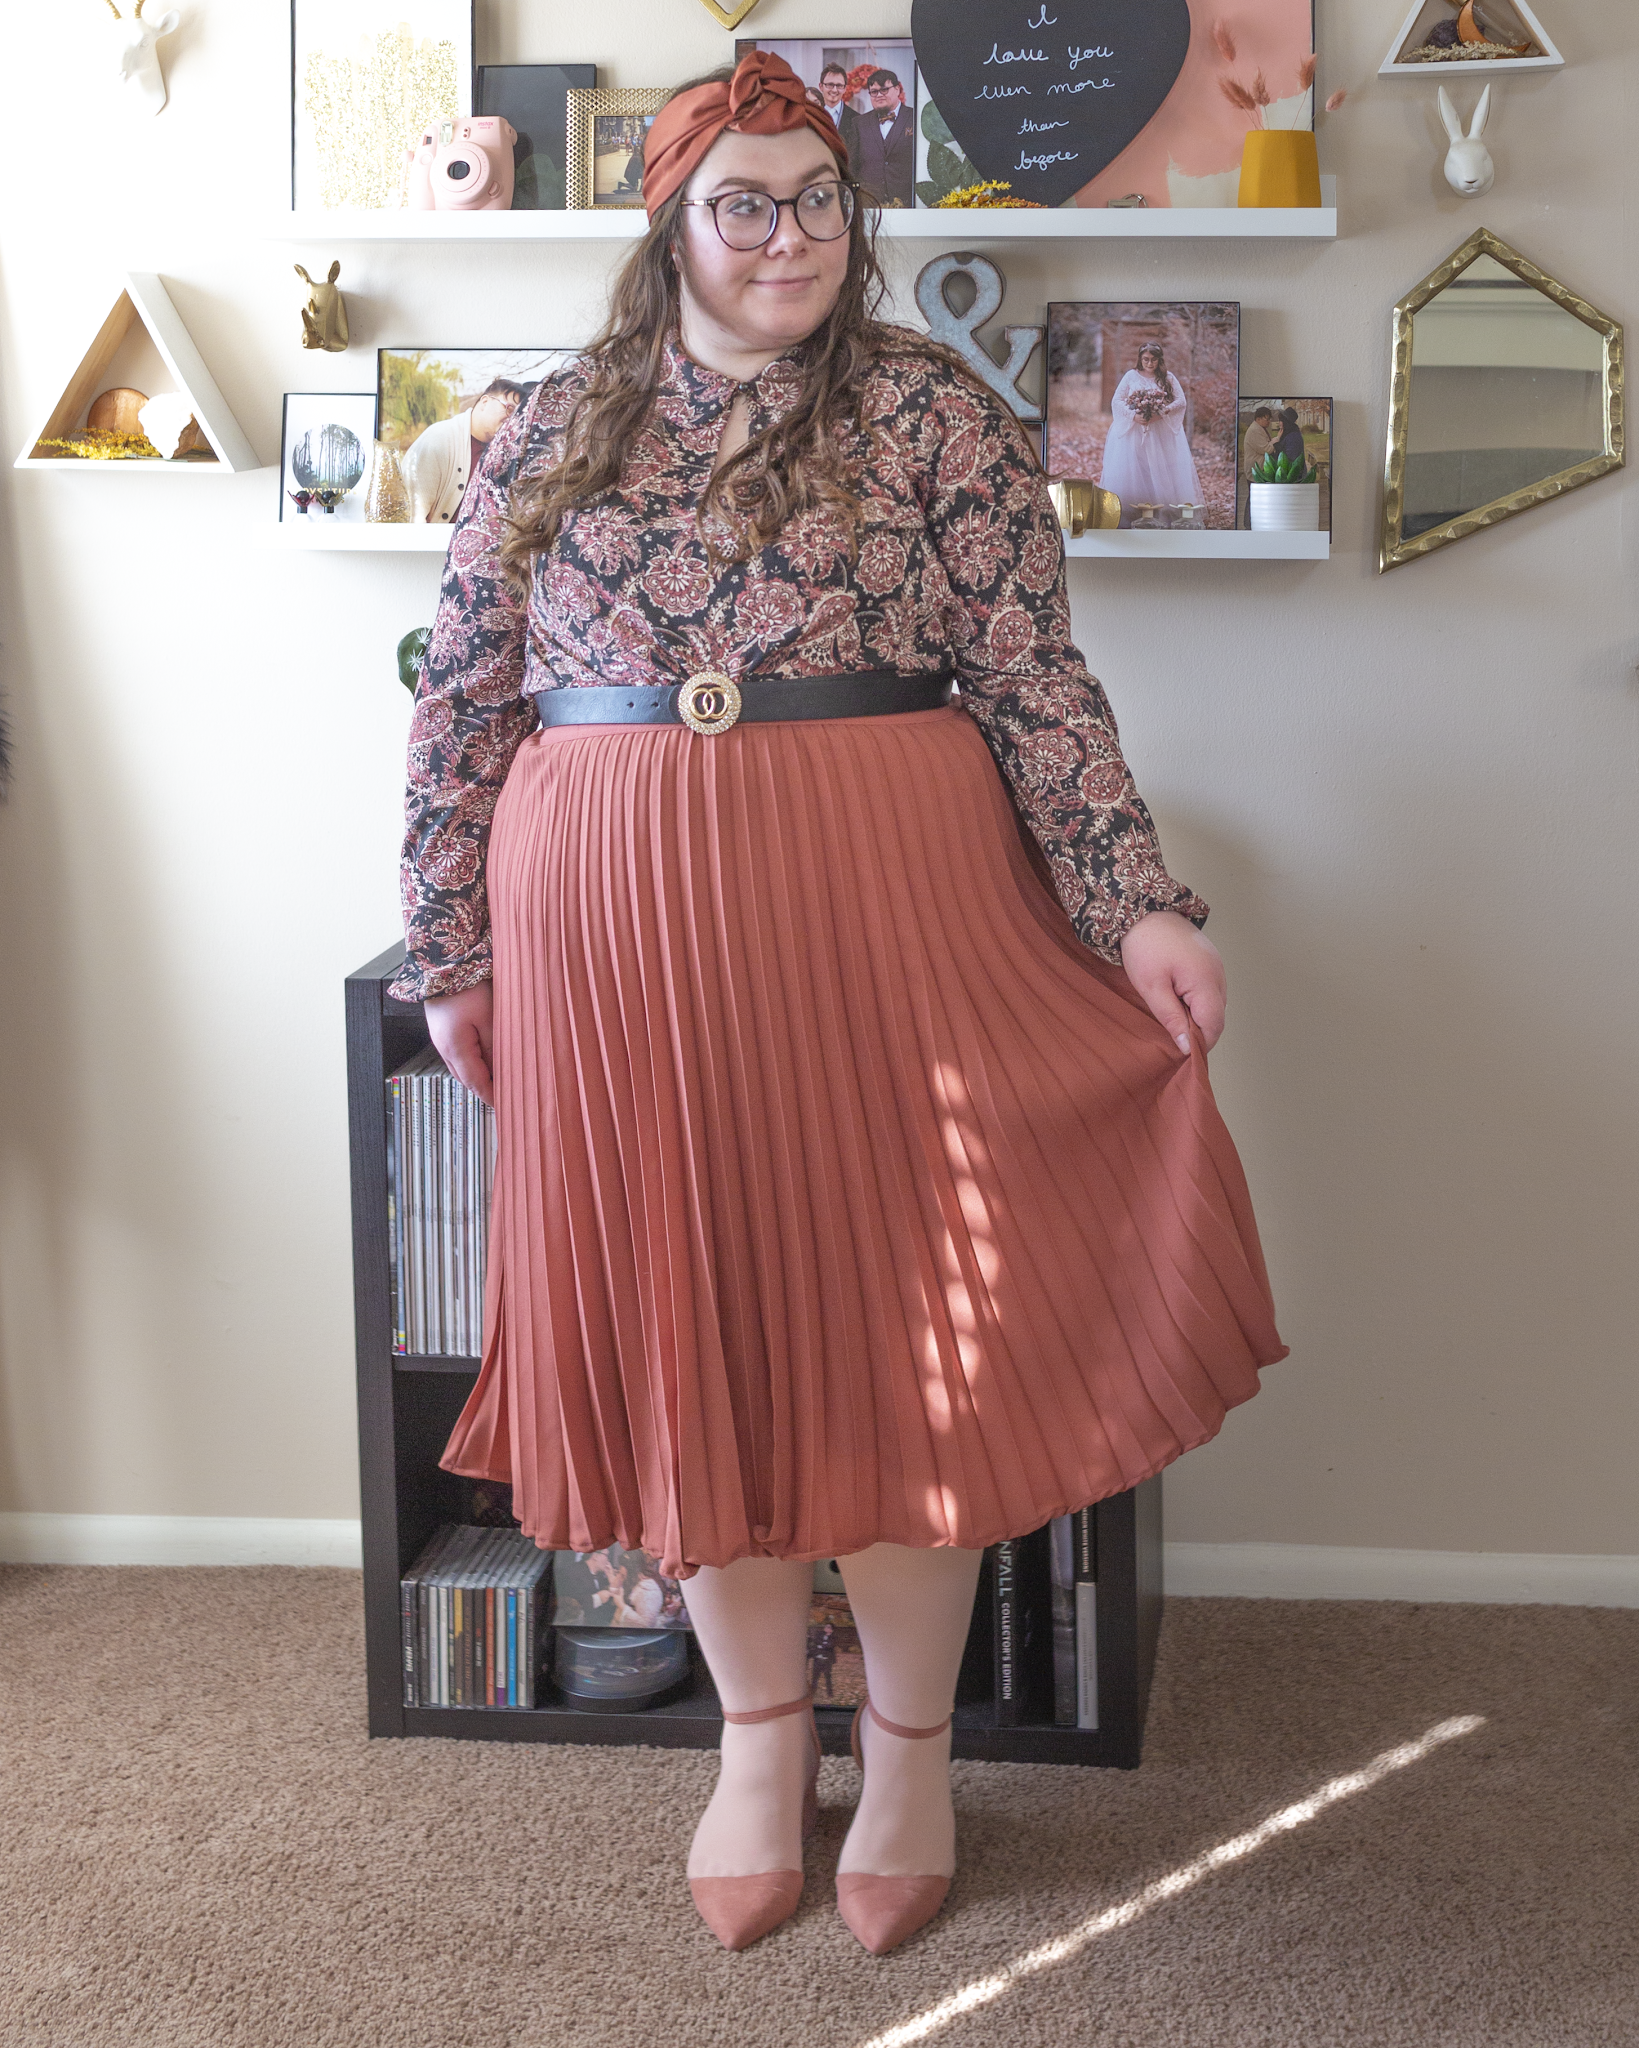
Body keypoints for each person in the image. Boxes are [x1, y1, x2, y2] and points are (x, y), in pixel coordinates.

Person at [396, 49, 1283, 1959]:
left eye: (817, 201)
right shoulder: (549, 425)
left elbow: (1035, 684)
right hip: (619, 944)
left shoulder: (933, 419)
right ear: (674, 223)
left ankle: (903, 1756)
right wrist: (450, 944)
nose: (787, 237)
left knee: (906, 1337)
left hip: (886, 909)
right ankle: (750, 1739)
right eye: (746, 203)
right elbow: (460, 699)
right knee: (687, 1319)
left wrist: (1131, 909)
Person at [1100, 341, 1203, 524]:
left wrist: (1161, 413)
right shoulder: (1131, 376)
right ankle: (1131, 513)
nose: (1150, 363)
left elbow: (1180, 401)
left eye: (1154, 360)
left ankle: (1161, 512)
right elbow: (1117, 400)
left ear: (1159, 360)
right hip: (1134, 432)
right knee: (1136, 469)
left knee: (1158, 467)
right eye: (1146, 359)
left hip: (1159, 431)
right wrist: (1134, 416)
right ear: (1140, 359)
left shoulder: (1167, 377)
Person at [402, 378, 525, 523]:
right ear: (484, 402)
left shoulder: (509, 453)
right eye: (509, 409)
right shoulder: (439, 438)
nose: (512, 420)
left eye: (518, 416)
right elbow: (412, 514)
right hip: (437, 543)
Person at [850, 67, 913, 207]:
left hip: (907, 204)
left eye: (884, 90)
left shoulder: (915, 118)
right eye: (874, 92)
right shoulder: (859, 123)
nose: (878, 95)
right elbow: (852, 167)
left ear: (897, 89)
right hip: (869, 204)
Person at [815, 60, 859, 165]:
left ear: (845, 88)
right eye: (830, 85)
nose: (834, 90)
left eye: (839, 85)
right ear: (821, 86)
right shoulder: (810, 115)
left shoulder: (856, 119)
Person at [1241, 404, 1277, 476]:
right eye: (1267, 419)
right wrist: (1276, 440)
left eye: (1270, 419)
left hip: (1259, 470)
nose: (1269, 421)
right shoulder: (1254, 430)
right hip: (1256, 472)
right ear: (1258, 419)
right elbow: (1267, 449)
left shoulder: (1261, 428)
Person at [1276, 404, 1308, 469]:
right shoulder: (1287, 433)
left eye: (1281, 420)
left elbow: (1290, 458)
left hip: (1294, 475)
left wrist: (1276, 444)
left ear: (1286, 421)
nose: (1279, 423)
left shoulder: (1293, 436)